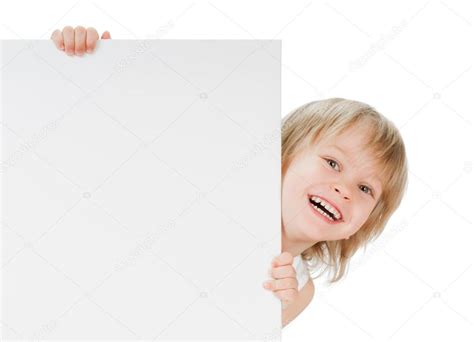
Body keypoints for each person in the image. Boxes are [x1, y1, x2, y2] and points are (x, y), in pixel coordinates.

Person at [51, 27, 409, 328]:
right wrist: (96, 66)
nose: (343, 189)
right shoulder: (212, 191)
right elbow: (132, 155)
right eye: (333, 163)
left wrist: (274, 305)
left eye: (365, 188)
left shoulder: (300, 291)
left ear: (366, 222)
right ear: (282, 157)